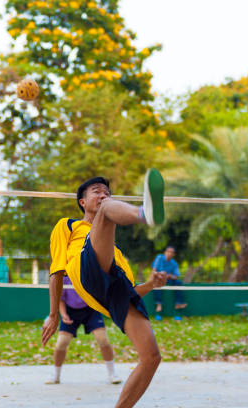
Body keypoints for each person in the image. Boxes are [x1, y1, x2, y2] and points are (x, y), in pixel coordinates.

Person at [42, 170, 168, 408]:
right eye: (96, 191)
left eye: (106, 192)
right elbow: (56, 271)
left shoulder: (116, 254)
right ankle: (144, 213)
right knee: (107, 210)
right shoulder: (68, 225)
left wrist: (151, 284)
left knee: (151, 358)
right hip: (85, 267)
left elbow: (128, 293)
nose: (103, 194)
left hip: (112, 288)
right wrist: (53, 313)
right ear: (82, 202)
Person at [45, 275, 121, 385]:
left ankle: (112, 374)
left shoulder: (89, 271)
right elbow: (60, 299)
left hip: (90, 308)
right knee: (62, 342)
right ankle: (55, 376)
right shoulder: (64, 277)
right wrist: (64, 314)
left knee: (102, 339)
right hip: (70, 310)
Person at [152, 246, 187, 314]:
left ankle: (178, 303)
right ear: (165, 252)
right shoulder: (159, 258)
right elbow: (153, 271)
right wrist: (160, 274)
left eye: (171, 252)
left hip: (168, 279)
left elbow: (175, 276)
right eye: (168, 251)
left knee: (178, 282)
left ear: (173, 255)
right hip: (158, 278)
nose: (169, 253)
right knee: (157, 283)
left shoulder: (174, 263)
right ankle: (159, 304)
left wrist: (169, 276)